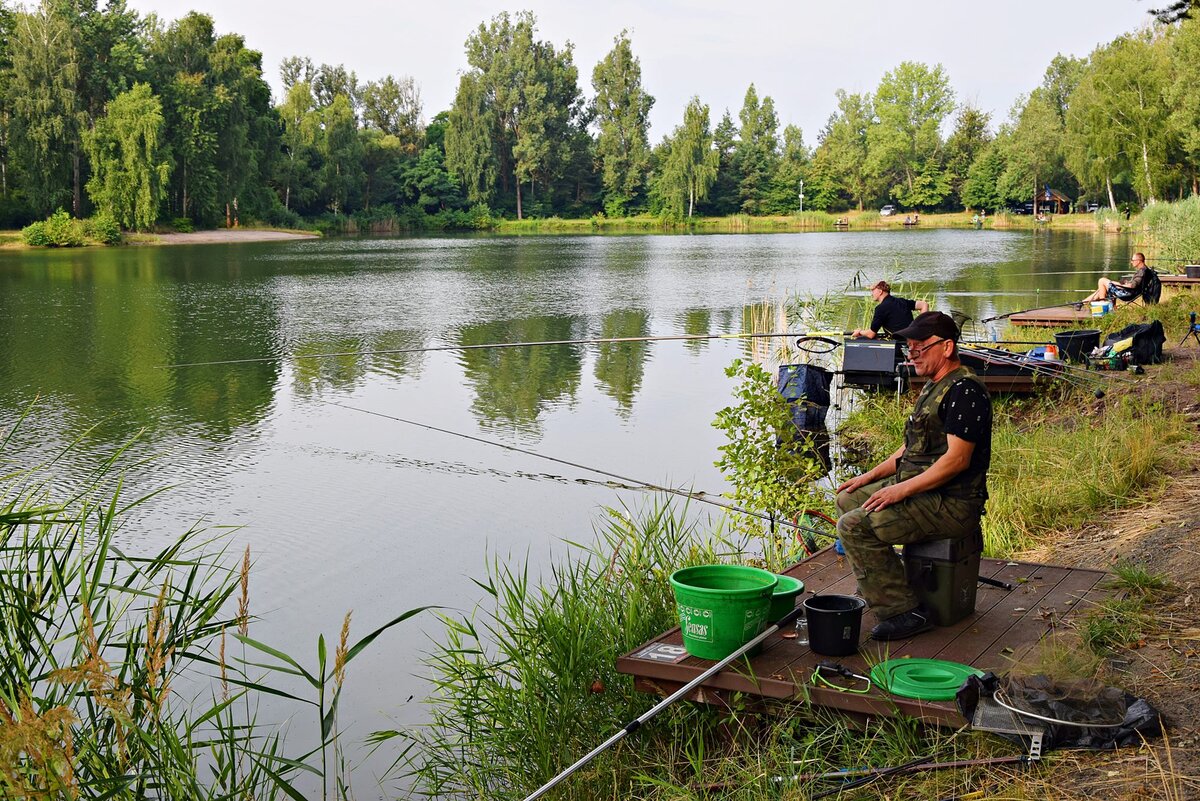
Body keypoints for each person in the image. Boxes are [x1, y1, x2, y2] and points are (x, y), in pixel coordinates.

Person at [835, 312, 992, 640]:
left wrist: (900, 491)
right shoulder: (935, 384)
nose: (913, 353)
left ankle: (905, 612)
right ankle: (882, 583)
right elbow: (909, 449)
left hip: (953, 503)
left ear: (947, 347)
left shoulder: (965, 391)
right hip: (923, 491)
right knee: (848, 498)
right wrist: (867, 477)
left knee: (853, 525)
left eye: (921, 346)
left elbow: (957, 460)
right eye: (910, 346)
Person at [850, 281, 930, 339]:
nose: (871, 294)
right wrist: (919, 328)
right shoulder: (902, 301)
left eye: (873, 291)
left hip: (898, 344)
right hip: (913, 340)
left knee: (861, 339)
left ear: (880, 291)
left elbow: (871, 334)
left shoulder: (880, 308)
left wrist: (860, 331)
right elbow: (924, 305)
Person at [1082, 252, 1151, 305]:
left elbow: (1132, 286)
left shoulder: (1142, 272)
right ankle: (1082, 303)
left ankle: (1102, 304)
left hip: (1127, 294)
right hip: (1129, 292)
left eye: (1132, 260)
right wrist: (1126, 282)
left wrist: (1116, 284)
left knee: (1102, 280)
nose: (1131, 262)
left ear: (1138, 261)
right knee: (1102, 289)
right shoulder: (1145, 270)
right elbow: (1134, 284)